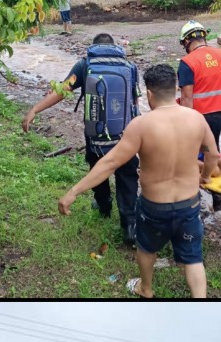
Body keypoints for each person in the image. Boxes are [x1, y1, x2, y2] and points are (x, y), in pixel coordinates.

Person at [58, 64, 220, 299]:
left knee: (146, 248)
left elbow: (110, 162)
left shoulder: (141, 125)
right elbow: (213, 154)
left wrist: (74, 191)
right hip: (189, 204)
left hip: (155, 207)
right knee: (193, 258)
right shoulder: (197, 119)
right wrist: (205, 177)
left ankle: (146, 288)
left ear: (150, 94)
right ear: (174, 90)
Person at [22, 33, 140, 245]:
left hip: (96, 136)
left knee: (97, 168)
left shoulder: (85, 65)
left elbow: (62, 91)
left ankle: (104, 206)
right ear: (113, 47)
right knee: (127, 178)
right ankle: (130, 227)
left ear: (93, 47)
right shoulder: (129, 66)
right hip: (126, 135)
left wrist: (35, 110)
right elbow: (134, 103)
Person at [178, 20, 221, 212]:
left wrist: (185, 125)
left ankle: (195, 199)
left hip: (201, 117)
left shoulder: (188, 62)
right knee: (211, 149)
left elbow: (186, 97)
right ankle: (218, 196)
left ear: (186, 42)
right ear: (203, 36)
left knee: (190, 156)